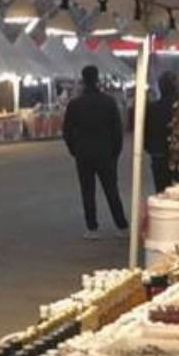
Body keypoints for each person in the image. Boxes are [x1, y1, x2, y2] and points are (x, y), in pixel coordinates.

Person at [63, 65, 128, 240]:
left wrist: (74, 149)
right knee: (111, 189)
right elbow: (117, 130)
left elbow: (67, 131)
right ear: (97, 79)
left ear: (83, 80)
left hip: (83, 152)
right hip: (105, 151)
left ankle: (92, 228)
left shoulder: (75, 104)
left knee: (87, 191)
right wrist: (115, 151)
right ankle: (121, 225)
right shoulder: (108, 102)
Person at [144, 71, 179, 193]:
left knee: (161, 192)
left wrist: (150, 148)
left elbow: (145, 133)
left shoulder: (152, 108)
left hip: (158, 154)